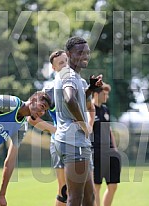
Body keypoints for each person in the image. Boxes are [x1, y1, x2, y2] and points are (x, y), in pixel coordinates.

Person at [28, 49, 99, 206]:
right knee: (65, 192)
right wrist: (55, 130)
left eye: (66, 61)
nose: (65, 64)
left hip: (81, 141)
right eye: (60, 63)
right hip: (62, 143)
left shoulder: (80, 83)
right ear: (53, 69)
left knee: (89, 193)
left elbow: (90, 107)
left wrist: (89, 126)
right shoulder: (49, 90)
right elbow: (31, 118)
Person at [54, 36, 100, 206]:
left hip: (76, 141)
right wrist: (83, 124)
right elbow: (69, 99)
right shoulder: (69, 74)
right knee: (75, 198)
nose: (85, 56)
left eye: (87, 52)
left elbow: (76, 99)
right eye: (80, 52)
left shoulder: (75, 78)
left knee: (89, 198)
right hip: (73, 141)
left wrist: (90, 90)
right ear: (68, 54)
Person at [91, 83, 121, 206]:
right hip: (95, 152)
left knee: (113, 186)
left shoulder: (105, 109)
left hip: (109, 152)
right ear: (96, 94)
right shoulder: (89, 109)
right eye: (105, 94)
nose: (107, 97)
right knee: (96, 186)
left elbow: (109, 130)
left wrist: (114, 148)